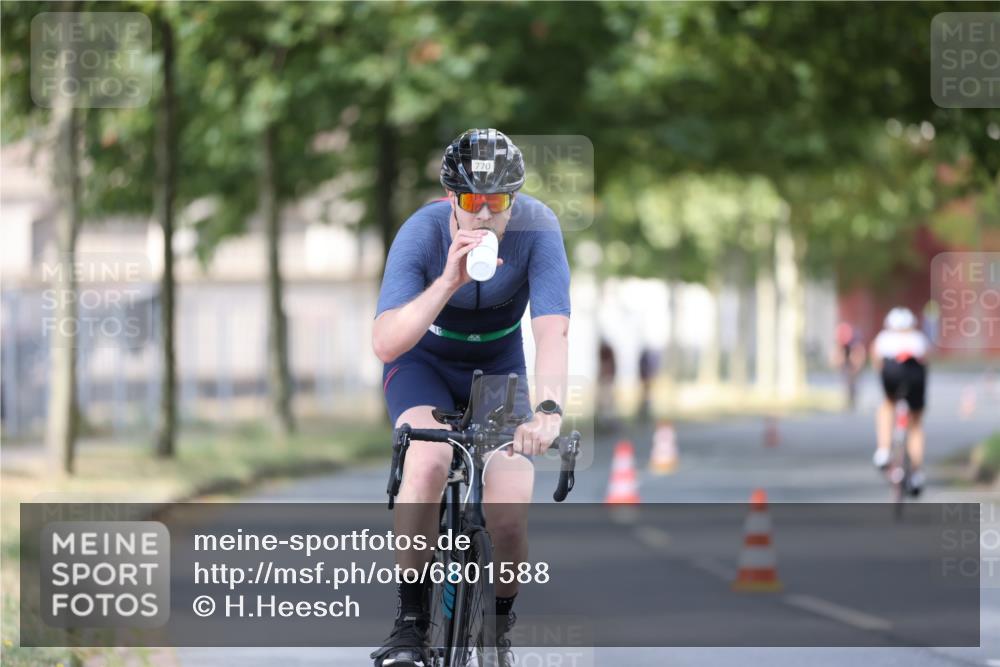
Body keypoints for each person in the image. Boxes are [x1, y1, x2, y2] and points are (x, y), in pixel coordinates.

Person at [370, 129, 571, 667]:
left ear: (514, 201)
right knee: (428, 461)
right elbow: (385, 342)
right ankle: (410, 624)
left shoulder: (538, 228)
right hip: (423, 364)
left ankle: (498, 628)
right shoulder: (421, 232)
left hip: (497, 370)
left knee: (508, 513)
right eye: (470, 201)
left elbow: (552, 331)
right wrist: (447, 282)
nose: (483, 214)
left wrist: (548, 412)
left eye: (497, 203)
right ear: (450, 198)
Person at [870, 307, 931, 495]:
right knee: (916, 424)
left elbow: (876, 361)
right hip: (915, 373)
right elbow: (926, 360)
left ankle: (883, 451)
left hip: (891, 370)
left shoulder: (884, 338)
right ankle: (916, 474)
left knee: (887, 405)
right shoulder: (919, 338)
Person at [832, 322, 866, 411]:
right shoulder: (841, 339)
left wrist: (856, 367)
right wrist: (838, 363)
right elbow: (838, 352)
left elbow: (859, 353)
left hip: (855, 356)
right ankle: (848, 398)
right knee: (846, 379)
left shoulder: (855, 340)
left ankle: (853, 398)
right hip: (847, 357)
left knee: (853, 380)